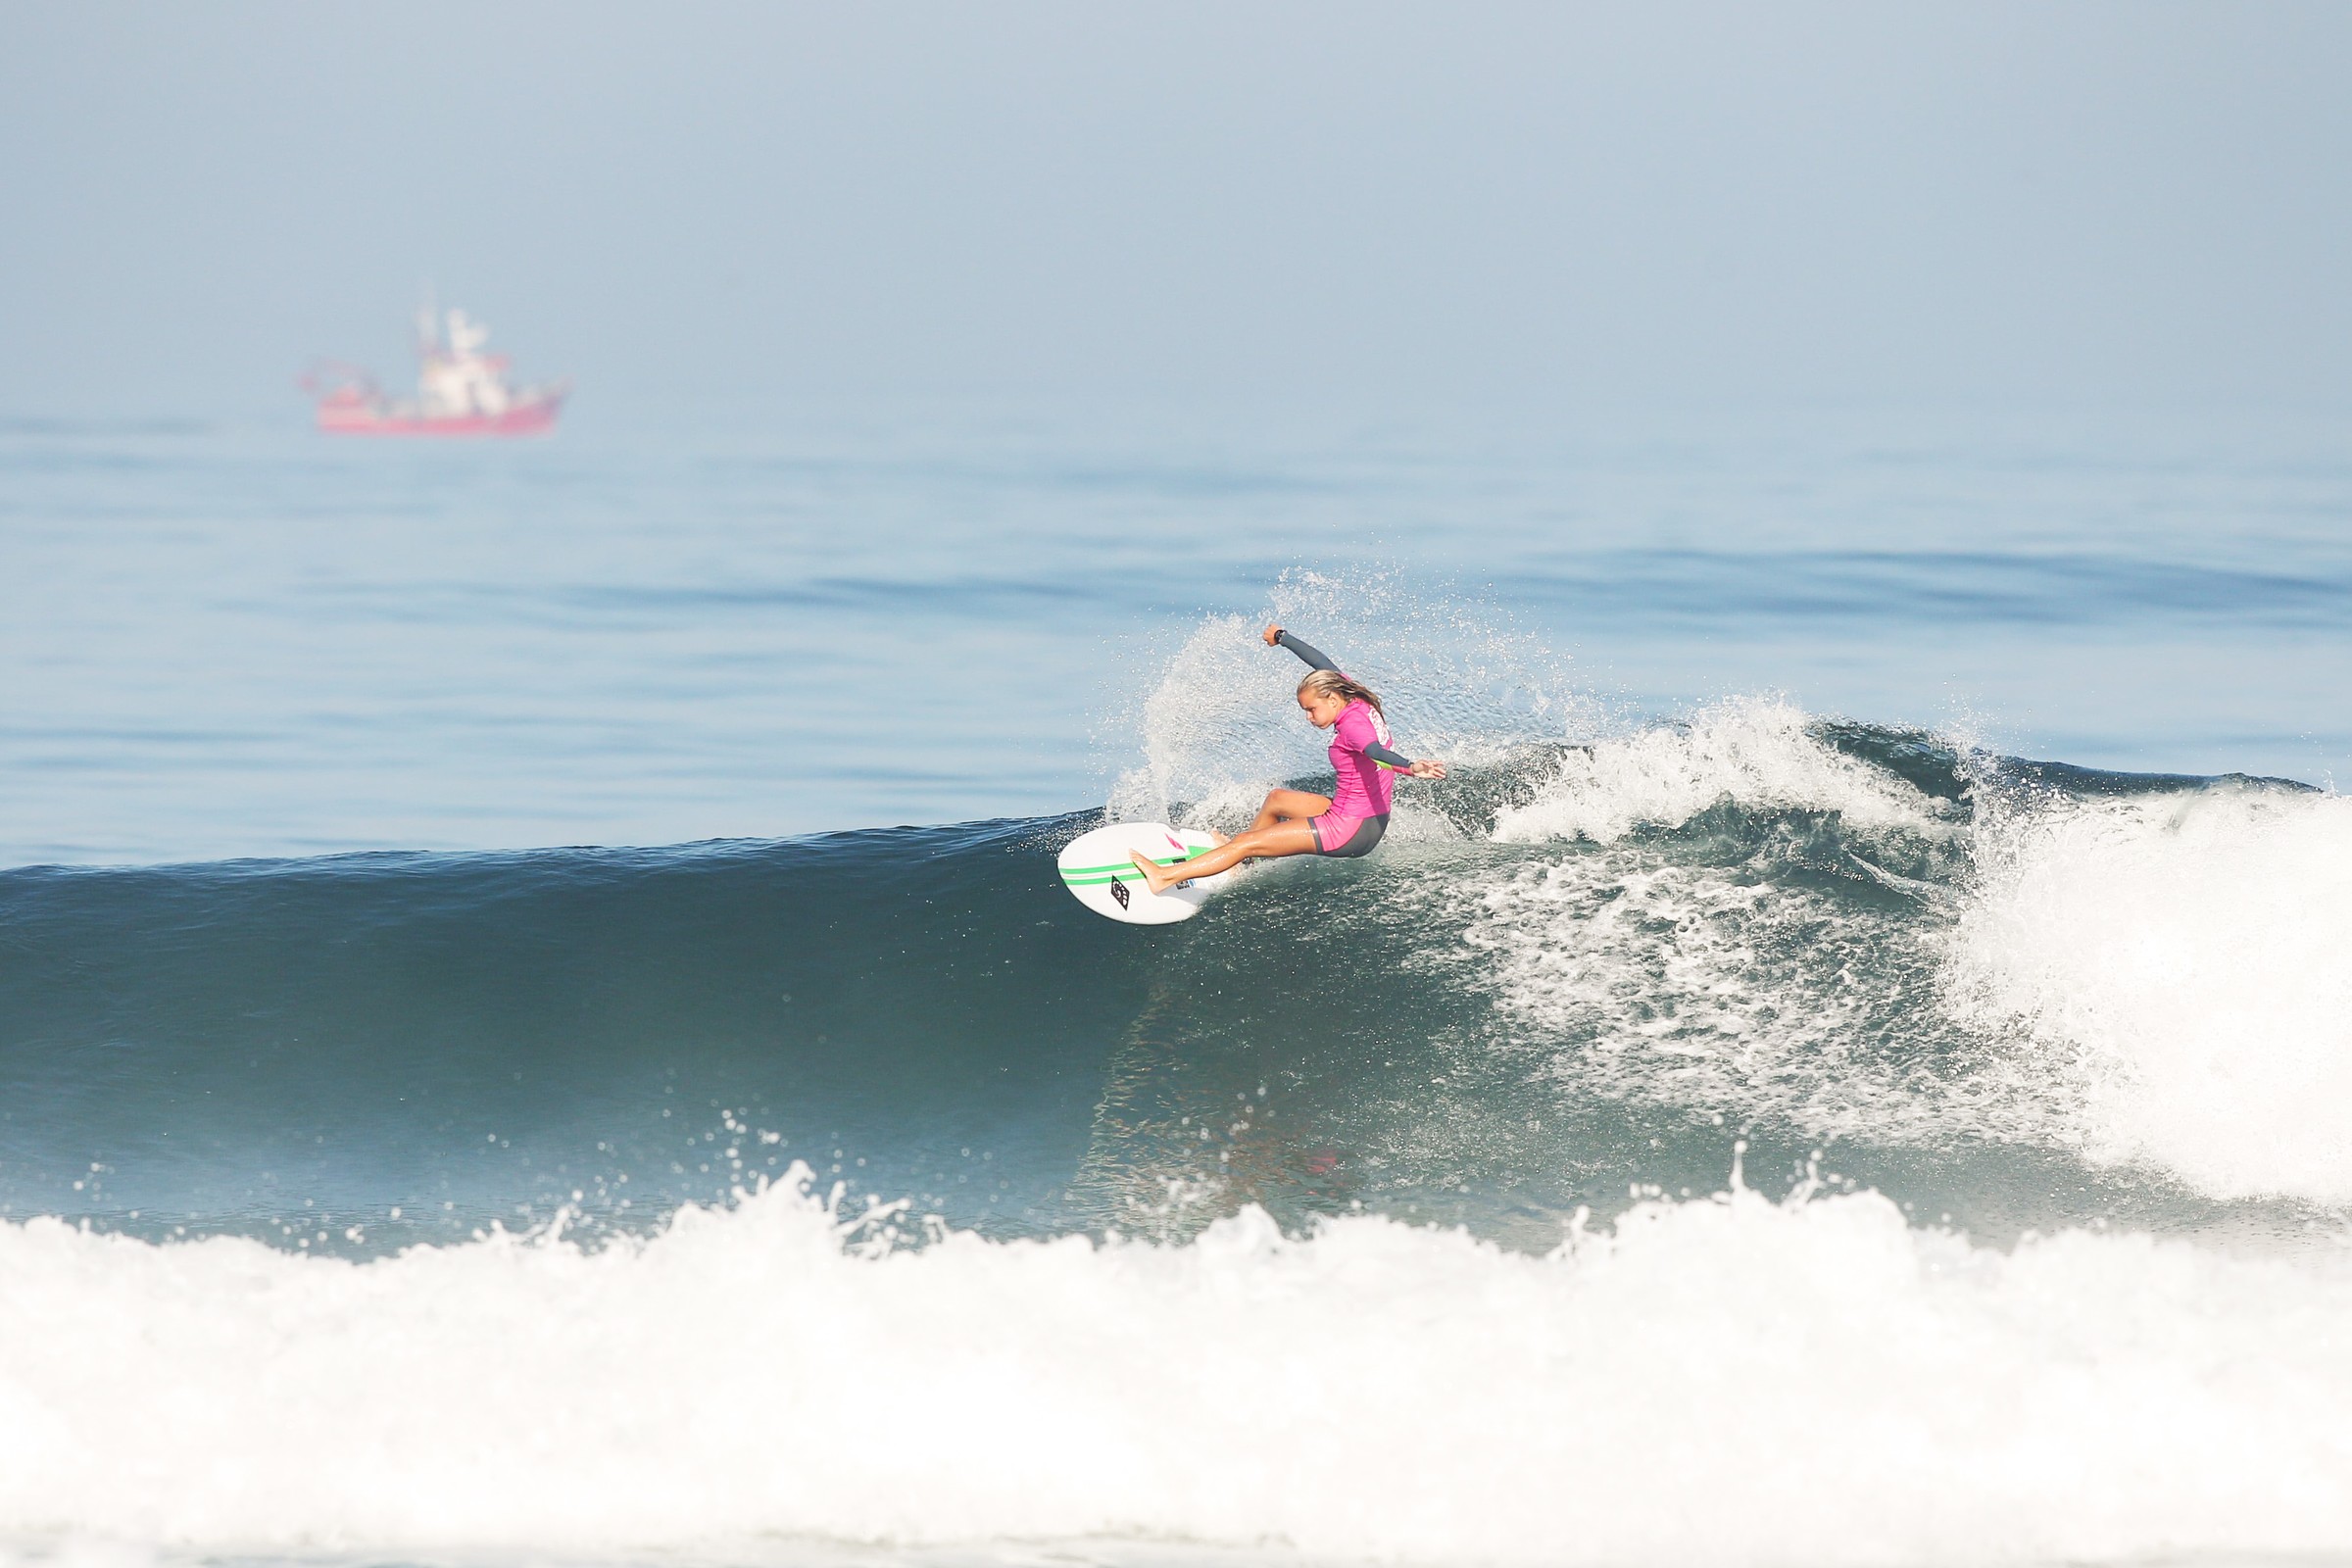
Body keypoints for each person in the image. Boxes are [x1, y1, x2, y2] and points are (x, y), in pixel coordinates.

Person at [1129, 625, 1446, 896]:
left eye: (1312, 710)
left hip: (1349, 830)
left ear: (1332, 700)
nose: (1309, 717)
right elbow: (1321, 662)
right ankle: (1244, 865)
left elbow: (1375, 753)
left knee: (1244, 842)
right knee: (1277, 800)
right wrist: (1282, 637)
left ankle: (1165, 877)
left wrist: (1411, 766)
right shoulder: (1354, 695)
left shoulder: (1352, 726)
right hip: (1367, 818)